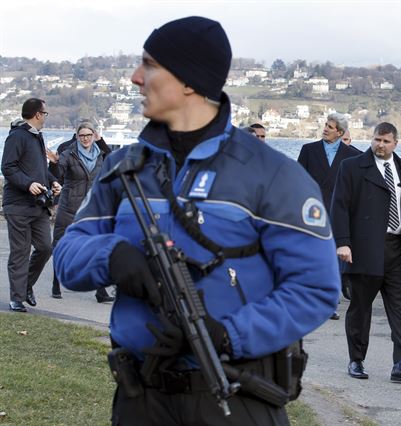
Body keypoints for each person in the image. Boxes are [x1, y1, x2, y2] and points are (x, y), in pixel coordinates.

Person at [53, 16, 339, 425]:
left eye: (149, 65)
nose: (136, 77)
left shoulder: (273, 175)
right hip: (141, 398)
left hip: (235, 396)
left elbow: (315, 288)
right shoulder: (125, 167)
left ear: (189, 81)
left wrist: (227, 334)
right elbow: (67, 254)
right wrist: (112, 256)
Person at [331, 122, 401, 382]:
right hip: (364, 250)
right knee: (360, 309)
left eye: (386, 141)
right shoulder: (352, 167)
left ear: (395, 143)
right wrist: (343, 242)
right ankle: (356, 360)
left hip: (400, 250)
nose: (380, 145)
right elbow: (339, 206)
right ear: (372, 139)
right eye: (377, 140)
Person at [297, 112, 360, 319]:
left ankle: (329, 303)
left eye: (330, 127)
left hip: (339, 216)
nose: (325, 128)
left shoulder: (353, 156)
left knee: (334, 262)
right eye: (325, 125)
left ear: (340, 133)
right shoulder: (308, 150)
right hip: (312, 214)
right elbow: (297, 180)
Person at [1, 98, 61, 313]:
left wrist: (52, 180)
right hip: (17, 205)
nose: (45, 117)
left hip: (38, 206)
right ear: (37, 114)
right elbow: (7, 167)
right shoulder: (17, 136)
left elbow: (39, 169)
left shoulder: (37, 137)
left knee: (45, 248)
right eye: (45, 113)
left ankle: (25, 286)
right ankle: (16, 298)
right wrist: (28, 184)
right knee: (20, 252)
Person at [50, 122, 114, 303]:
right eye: (82, 135)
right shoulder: (69, 153)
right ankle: (56, 282)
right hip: (69, 207)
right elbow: (57, 171)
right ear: (77, 137)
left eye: (89, 135)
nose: (85, 138)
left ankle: (100, 292)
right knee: (60, 245)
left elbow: (113, 159)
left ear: (94, 135)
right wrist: (54, 163)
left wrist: (101, 142)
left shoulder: (100, 154)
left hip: (92, 209)